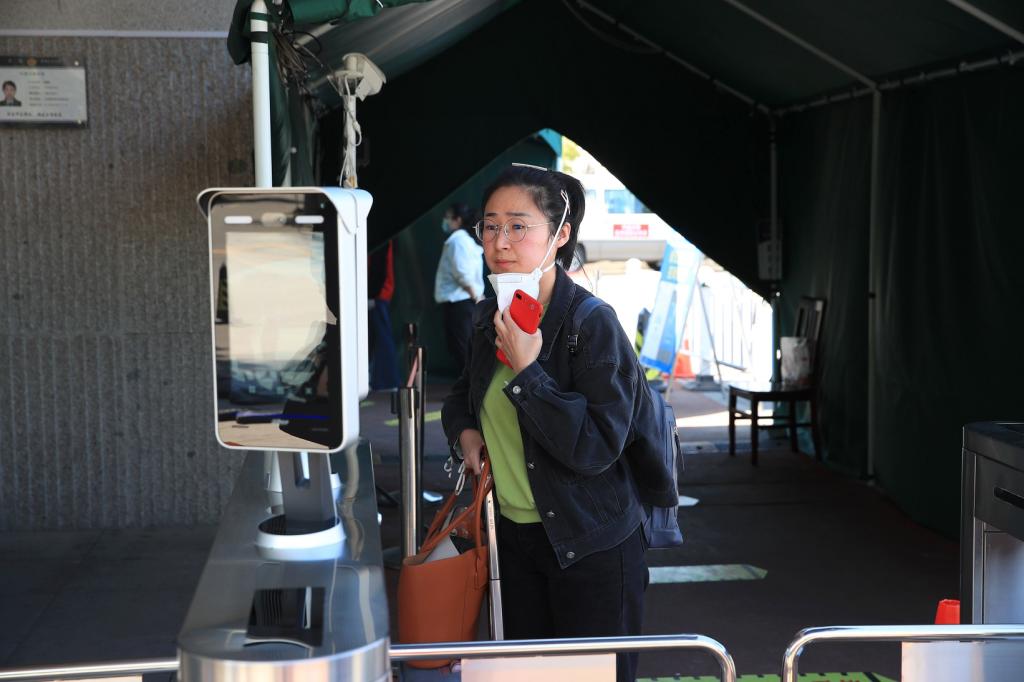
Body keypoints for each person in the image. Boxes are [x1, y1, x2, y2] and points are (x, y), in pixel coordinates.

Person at [441, 165, 648, 682]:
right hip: (512, 542)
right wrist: (465, 433)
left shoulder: (591, 324)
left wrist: (529, 372)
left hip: (590, 545)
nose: (500, 242)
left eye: (518, 226)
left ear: (560, 235)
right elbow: (463, 395)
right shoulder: (489, 314)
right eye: (490, 226)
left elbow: (596, 447)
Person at [434, 202, 484, 372]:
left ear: (458, 220)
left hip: (460, 303)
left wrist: (477, 298)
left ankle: (470, 386)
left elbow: (463, 274)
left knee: (462, 348)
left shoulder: (459, 241)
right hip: (463, 302)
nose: (445, 221)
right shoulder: (464, 240)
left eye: (448, 217)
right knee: (462, 347)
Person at [367, 240, 400, 390]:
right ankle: (382, 380)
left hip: (378, 295)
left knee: (381, 338)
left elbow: (378, 267)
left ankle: (387, 380)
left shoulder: (382, 240)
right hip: (379, 294)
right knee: (376, 337)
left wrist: (372, 295)